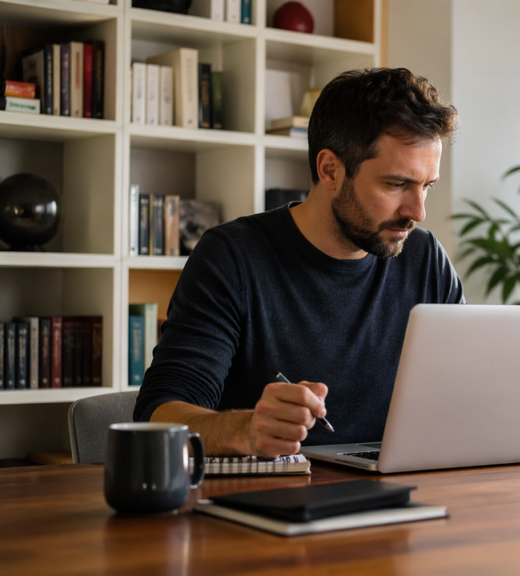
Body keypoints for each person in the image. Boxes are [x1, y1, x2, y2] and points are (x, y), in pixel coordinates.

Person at [134, 68, 464, 458]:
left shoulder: (425, 259)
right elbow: (158, 415)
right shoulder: (232, 257)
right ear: (330, 170)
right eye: (396, 184)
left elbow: (464, 397)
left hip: (398, 496)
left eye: (427, 186)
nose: (419, 212)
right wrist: (247, 429)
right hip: (266, 501)